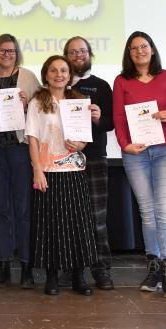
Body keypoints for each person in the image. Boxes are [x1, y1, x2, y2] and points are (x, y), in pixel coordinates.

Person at [112, 32, 166, 298]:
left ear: (152, 49)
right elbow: (119, 117)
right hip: (135, 153)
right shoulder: (121, 81)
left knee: (164, 211)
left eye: (144, 46)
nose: (140, 51)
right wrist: (124, 144)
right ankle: (153, 268)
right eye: (134, 48)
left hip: (165, 150)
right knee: (147, 211)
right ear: (128, 53)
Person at [26, 55, 96, 296]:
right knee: (50, 225)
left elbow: (84, 138)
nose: (59, 74)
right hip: (47, 171)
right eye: (54, 70)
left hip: (73, 170)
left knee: (77, 224)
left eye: (64, 70)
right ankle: (52, 277)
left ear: (70, 75)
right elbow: (32, 138)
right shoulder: (37, 102)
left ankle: (79, 276)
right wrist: (37, 170)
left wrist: (80, 145)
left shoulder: (79, 100)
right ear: (46, 74)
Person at [0, 34, 40, 289]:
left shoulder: (28, 77)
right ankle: (4, 265)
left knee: (22, 208)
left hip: (20, 149)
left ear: (17, 52)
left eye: (11, 50)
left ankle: (27, 266)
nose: (6, 54)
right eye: (1, 50)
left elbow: (42, 109)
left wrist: (28, 103)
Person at [64, 36, 115, 290]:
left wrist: (97, 118)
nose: (77, 56)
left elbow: (111, 123)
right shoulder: (57, 84)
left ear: (89, 54)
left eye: (82, 51)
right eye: (72, 52)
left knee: (97, 217)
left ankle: (102, 269)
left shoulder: (102, 86)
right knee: (69, 218)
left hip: (94, 157)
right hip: (62, 160)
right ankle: (72, 270)